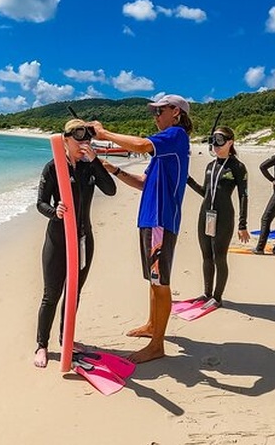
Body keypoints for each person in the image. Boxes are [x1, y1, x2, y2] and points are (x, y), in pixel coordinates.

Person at [95, 94, 192, 364]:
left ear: (176, 112)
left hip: (161, 219)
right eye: (154, 111)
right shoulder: (164, 149)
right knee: (153, 279)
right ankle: (152, 326)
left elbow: (139, 144)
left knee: (160, 283)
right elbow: (142, 182)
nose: (155, 115)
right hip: (150, 218)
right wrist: (113, 169)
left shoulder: (176, 135)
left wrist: (103, 133)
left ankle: (157, 345)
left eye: (160, 110)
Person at [34, 119, 117, 368]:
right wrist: (54, 211)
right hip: (58, 240)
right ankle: (42, 345)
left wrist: (94, 163)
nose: (84, 144)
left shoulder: (89, 167)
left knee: (74, 292)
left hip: (83, 239)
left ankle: (65, 338)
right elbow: (40, 203)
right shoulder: (53, 168)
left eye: (87, 139)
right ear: (65, 140)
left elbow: (111, 190)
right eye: (79, 139)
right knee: (52, 294)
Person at [186, 126, 249, 307]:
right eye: (213, 141)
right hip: (206, 215)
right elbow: (205, 193)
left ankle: (217, 297)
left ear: (230, 142)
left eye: (219, 141)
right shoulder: (210, 166)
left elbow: (244, 195)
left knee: (219, 257)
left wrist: (242, 224)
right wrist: (188, 180)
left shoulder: (237, 167)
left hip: (224, 216)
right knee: (206, 255)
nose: (215, 146)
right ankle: (206, 294)